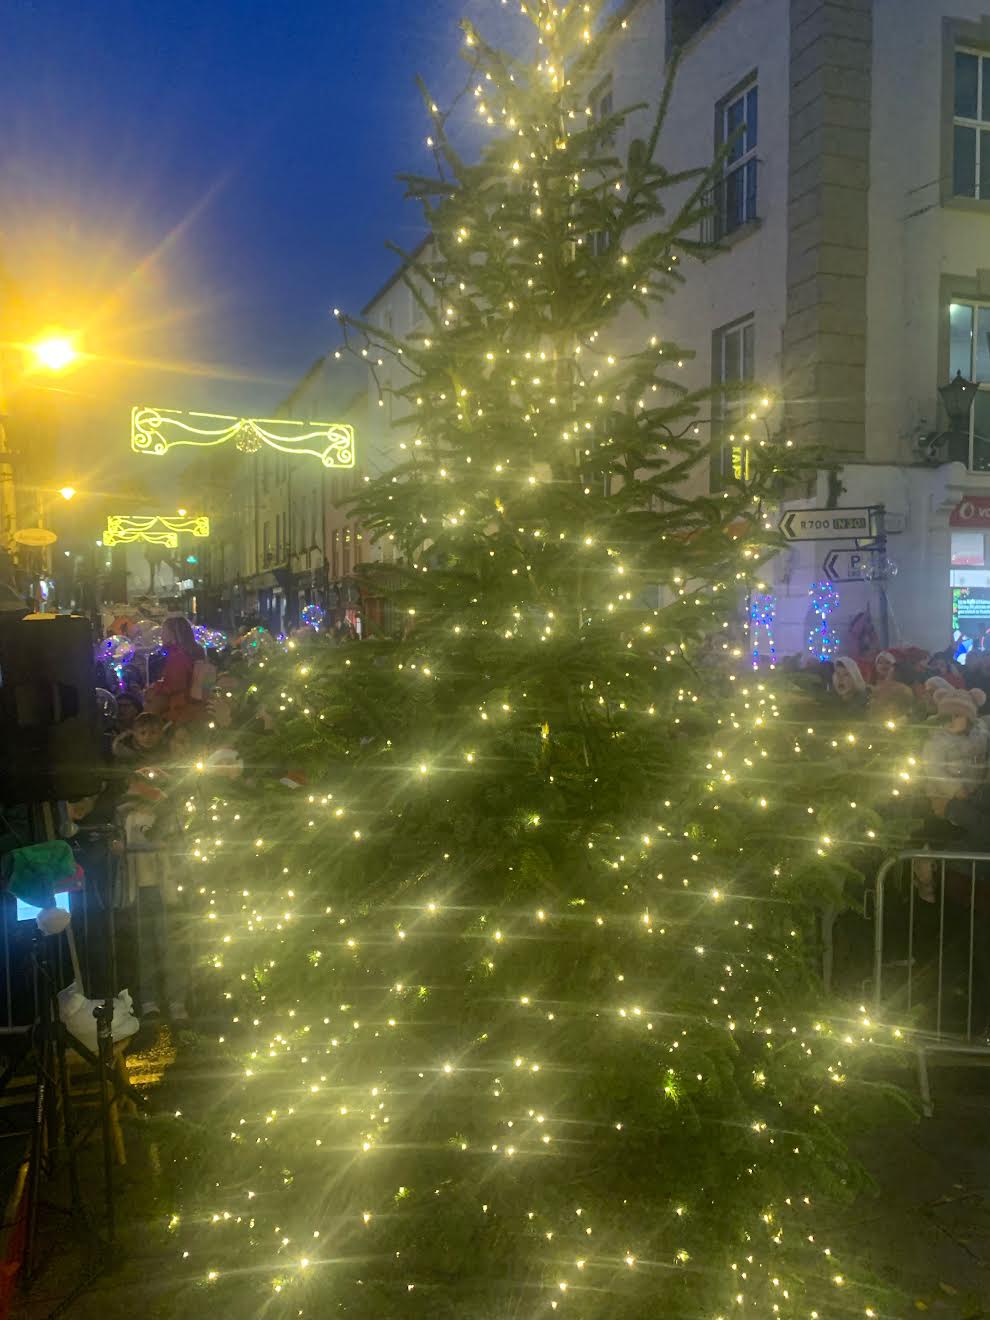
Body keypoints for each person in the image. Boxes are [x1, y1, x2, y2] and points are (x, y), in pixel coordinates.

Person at [144, 616, 211, 725]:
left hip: (179, 706)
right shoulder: (194, 652)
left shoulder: (178, 655)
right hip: (194, 703)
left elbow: (175, 684)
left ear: (173, 634)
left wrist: (154, 688)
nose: (161, 636)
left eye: (164, 631)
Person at [869, 651, 914, 721]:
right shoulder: (870, 687)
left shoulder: (903, 689)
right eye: (880, 663)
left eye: (887, 662)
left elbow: (908, 709)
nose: (883, 665)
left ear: (894, 666)